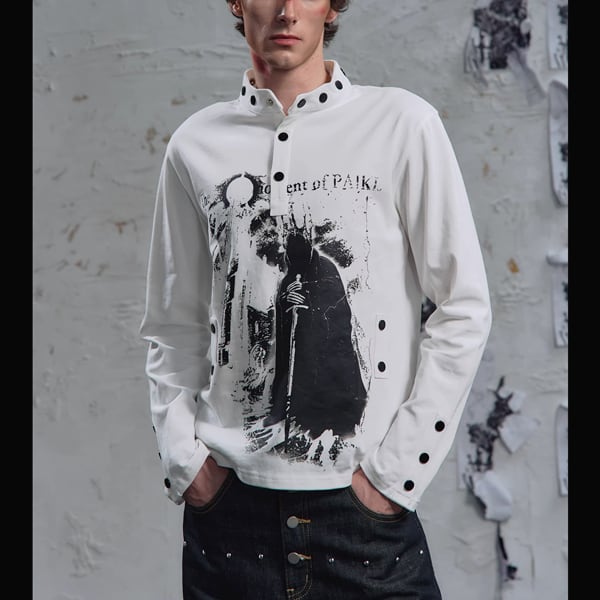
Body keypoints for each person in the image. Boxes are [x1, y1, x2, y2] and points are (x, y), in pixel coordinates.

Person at [139, 1, 492, 598]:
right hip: (229, 523)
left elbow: (463, 307)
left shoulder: (402, 125)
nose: (285, 10)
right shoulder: (195, 145)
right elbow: (172, 324)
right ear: (237, 3)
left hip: (365, 521)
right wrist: (185, 461)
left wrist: (395, 477)